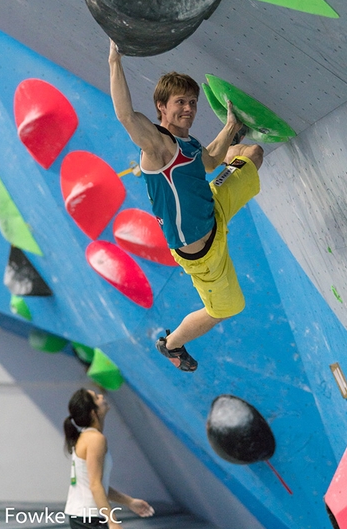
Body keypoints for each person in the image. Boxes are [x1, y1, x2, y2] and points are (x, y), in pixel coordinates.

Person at [108, 40, 263, 372]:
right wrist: (114, 59)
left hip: (213, 203)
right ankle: (173, 344)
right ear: (161, 107)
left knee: (251, 155)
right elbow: (125, 114)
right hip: (204, 255)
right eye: (181, 102)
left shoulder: (187, 141)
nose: (189, 108)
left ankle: (239, 144)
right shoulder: (158, 147)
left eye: (192, 102)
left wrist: (230, 126)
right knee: (226, 308)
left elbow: (208, 161)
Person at [64, 388, 155, 528]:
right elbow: (95, 485)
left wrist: (129, 502)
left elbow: (98, 485)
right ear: (94, 412)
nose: (101, 396)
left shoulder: (87, 436)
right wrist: (112, 521)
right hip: (89, 518)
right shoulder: (95, 439)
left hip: (83, 516)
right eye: (96, 397)